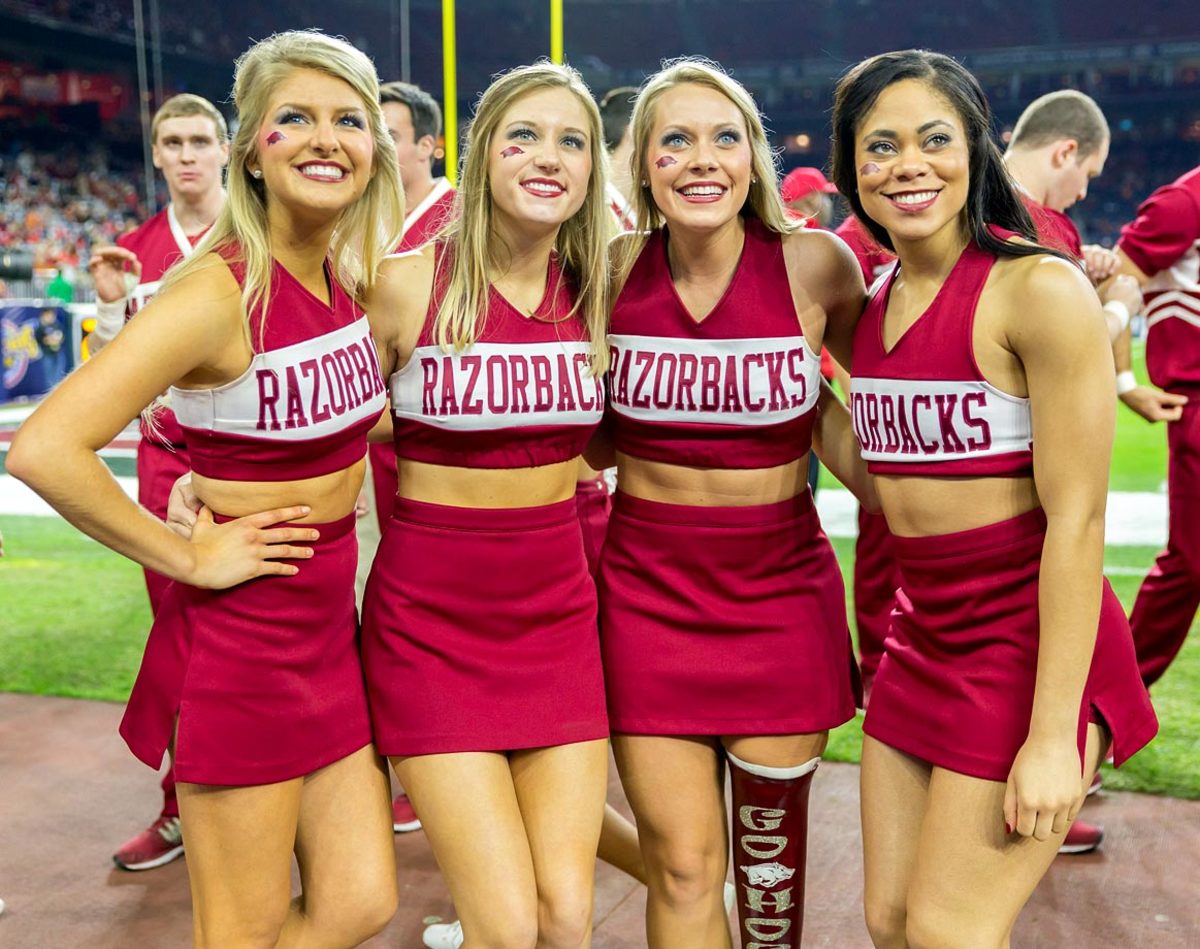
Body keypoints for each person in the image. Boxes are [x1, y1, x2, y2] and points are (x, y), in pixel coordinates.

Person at [9, 30, 405, 946]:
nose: (326, 138)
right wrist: (186, 552)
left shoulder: (341, 274)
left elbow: (303, 423)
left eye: (348, 120)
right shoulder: (213, 292)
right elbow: (45, 447)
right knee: (242, 929)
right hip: (247, 651)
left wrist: (202, 470)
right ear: (251, 152)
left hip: (328, 641)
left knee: (359, 901)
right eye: (294, 119)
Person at [829, 49, 1158, 946]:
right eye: (880, 146)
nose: (908, 164)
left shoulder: (1037, 290)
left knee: (945, 929)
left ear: (976, 148)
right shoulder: (873, 306)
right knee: (891, 921)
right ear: (853, 166)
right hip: (919, 639)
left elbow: (1078, 521)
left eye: (935, 139)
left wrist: (1055, 736)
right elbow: (888, 480)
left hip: (1027, 648)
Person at [600, 58, 870, 948]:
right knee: (680, 865)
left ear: (754, 157)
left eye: (725, 136)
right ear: (642, 163)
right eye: (674, 139)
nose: (701, 158)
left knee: (767, 873)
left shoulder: (815, 264)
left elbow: (898, 395)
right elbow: (560, 422)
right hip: (646, 596)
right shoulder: (606, 273)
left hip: (779, 597)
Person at [360, 62, 611, 948]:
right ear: (481, 154)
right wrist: (200, 469)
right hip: (432, 626)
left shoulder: (601, 293)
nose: (549, 157)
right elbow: (314, 410)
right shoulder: (398, 284)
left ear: (592, 172)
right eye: (525, 136)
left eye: (571, 141)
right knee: (505, 926)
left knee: (566, 915)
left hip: (557, 616)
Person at [86, 92, 229, 873]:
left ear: (223, 149)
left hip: (250, 462)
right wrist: (111, 314)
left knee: (274, 631)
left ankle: (304, 789)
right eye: (171, 141)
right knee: (177, 636)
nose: (185, 154)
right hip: (165, 462)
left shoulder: (258, 237)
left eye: (199, 139)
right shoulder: (133, 248)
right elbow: (104, 384)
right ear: (156, 154)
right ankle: (181, 804)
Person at [371, 78, 457, 836]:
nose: (370, 146)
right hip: (368, 480)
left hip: (481, 499)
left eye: (387, 132)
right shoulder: (351, 223)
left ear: (429, 144)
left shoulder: (467, 218)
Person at [1104, 165, 1200, 687]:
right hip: (1196, 402)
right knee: (1190, 565)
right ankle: (1108, 705)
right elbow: (1120, 280)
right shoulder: (1183, 203)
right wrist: (1123, 380)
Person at [1003, 89, 1143, 340]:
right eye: (1088, 174)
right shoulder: (1049, 226)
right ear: (1065, 153)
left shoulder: (962, 199)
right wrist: (1119, 308)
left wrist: (1079, 264)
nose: (1082, 193)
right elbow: (1070, 344)